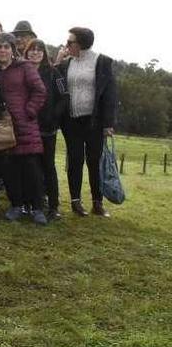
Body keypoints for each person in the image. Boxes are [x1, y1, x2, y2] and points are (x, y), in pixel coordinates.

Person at [56, 27, 117, 217]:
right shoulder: (66, 64)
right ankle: (76, 202)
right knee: (75, 160)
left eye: (70, 42)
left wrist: (108, 123)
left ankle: (97, 203)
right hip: (71, 120)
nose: (66, 45)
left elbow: (110, 94)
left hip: (94, 122)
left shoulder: (102, 62)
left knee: (94, 160)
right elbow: (54, 82)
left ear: (81, 44)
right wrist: (58, 60)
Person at [0, 33, 48, 225]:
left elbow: (40, 90)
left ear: (12, 49)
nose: (2, 50)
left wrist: (30, 110)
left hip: (25, 124)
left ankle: (38, 208)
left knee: (31, 168)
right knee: (9, 168)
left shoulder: (25, 67)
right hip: (3, 127)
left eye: (6, 47)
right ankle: (16, 205)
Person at [24, 39, 67, 219]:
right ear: (26, 52)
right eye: (32, 50)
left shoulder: (54, 73)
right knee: (28, 166)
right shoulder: (21, 71)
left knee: (48, 166)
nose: (35, 53)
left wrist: (54, 117)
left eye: (39, 50)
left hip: (47, 129)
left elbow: (64, 97)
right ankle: (31, 203)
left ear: (44, 53)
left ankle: (53, 206)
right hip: (26, 126)